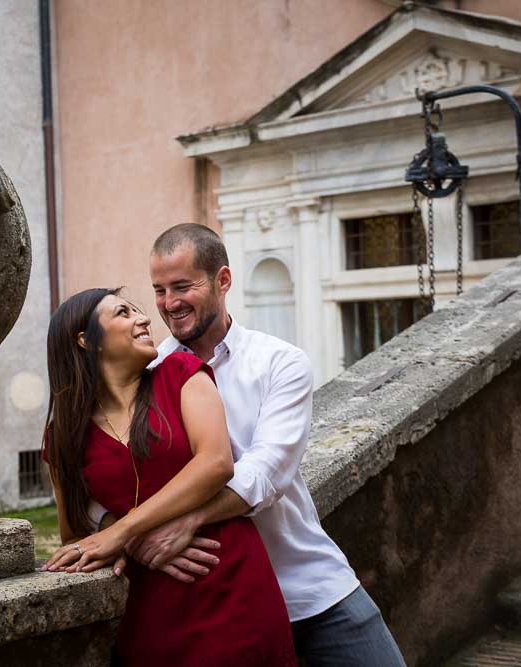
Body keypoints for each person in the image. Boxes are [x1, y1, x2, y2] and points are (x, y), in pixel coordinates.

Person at [52, 224, 406, 666]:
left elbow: (263, 472)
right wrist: (125, 529)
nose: (167, 304)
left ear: (223, 281)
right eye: (159, 290)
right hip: (202, 595)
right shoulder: (148, 368)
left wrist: (173, 523)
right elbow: (103, 472)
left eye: (183, 286)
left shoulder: (281, 363)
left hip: (306, 585)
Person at [41, 287, 297, 666]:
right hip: (150, 614)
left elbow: (215, 463)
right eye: (124, 313)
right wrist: (135, 540)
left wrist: (122, 532)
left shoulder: (182, 373)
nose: (144, 319)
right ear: (86, 341)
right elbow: (75, 531)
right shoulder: (63, 436)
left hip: (231, 588)